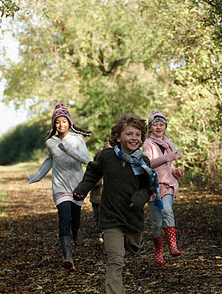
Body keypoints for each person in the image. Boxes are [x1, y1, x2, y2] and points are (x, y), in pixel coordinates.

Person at [73, 113, 161, 294]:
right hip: (111, 217)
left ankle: (135, 242)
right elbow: (92, 174)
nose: (134, 138)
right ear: (118, 137)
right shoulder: (106, 156)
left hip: (132, 217)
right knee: (116, 260)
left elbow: (148, 188)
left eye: (137, 134)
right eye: (129, 134)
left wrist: (139, 198)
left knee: (134, 247)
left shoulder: (142, 161)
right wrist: (82, 190)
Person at [27, 103, 91, 272]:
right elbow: (50, 160)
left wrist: (68, 149)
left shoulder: (77, 139)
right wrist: (36, 176)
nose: (61, 125)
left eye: (64, 121)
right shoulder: (50, 142)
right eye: (57, 122)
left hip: (77, 184)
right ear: (54, 125)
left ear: (69, 122)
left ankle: (76, 230)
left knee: (75, 219)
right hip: (59, 185)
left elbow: (86, 159)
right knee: (64, 219)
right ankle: (68, 257)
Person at [142, 111, 184, 265]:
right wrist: (168, 157)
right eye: (155, 125)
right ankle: (159, 249)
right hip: (154, 186)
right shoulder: (148, 144)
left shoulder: (169, 143)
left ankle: (173, 246)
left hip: (168, 184)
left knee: (167, 210)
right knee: (157, 222)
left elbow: (169, 166)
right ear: (150, 128)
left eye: (161, 124)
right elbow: (148, 164)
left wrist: (176, 171)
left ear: (165, 127)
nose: (159, 127)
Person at [89, 142, 111, 243]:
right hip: (97, 199)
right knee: (98, 217)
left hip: (108, 200)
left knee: (108, 216)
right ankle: (100, 232)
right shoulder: (95, 171)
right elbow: (90, 182)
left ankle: (106, 233)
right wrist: (100, 180)